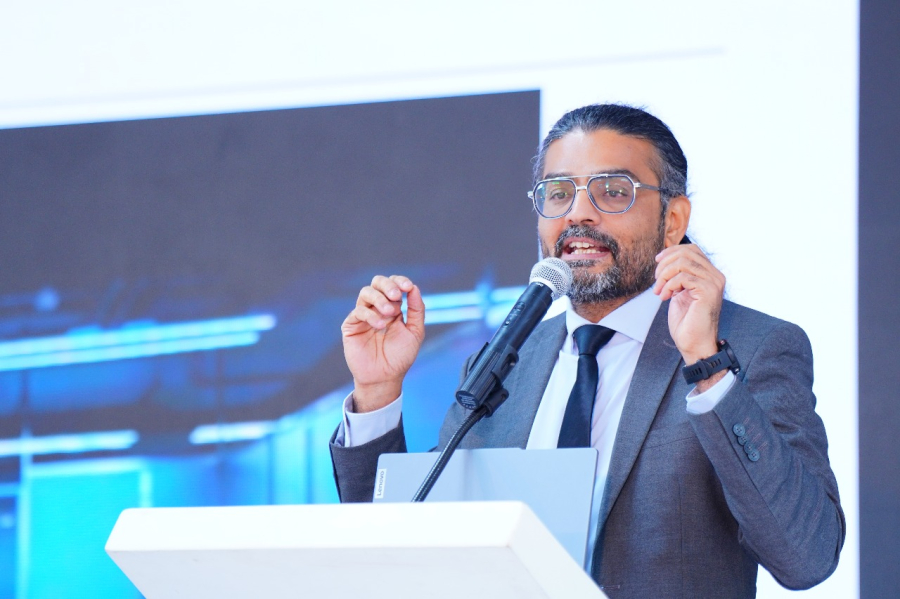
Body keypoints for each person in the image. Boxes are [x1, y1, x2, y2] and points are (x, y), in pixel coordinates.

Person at [329, 103, 844, 598]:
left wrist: (707, 367)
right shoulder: (506, 363)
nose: (578, 213)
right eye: (558, 193)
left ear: (672, 219)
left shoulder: (751, 348)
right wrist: (376, 391)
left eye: (613, 191)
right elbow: (400, 547)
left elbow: (807, 557)